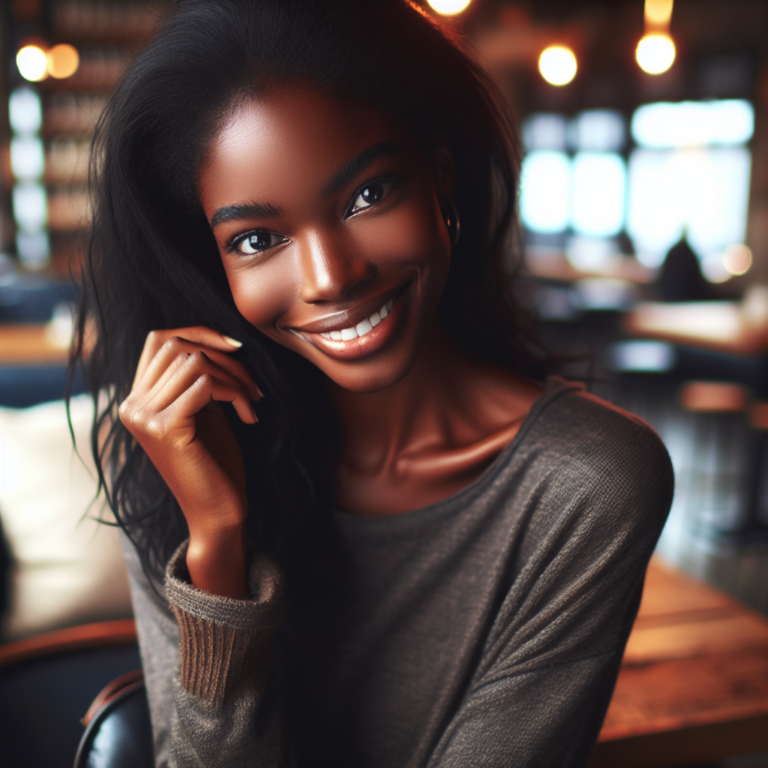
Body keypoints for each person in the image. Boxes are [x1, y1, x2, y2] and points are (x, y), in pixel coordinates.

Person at [73, 1, 674, 766]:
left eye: (368, 195)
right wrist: (217, 548)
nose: (332, 278)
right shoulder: (182, 458)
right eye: (258, 239)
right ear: (214, 269)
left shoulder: (588, 483)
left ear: (440, 178)